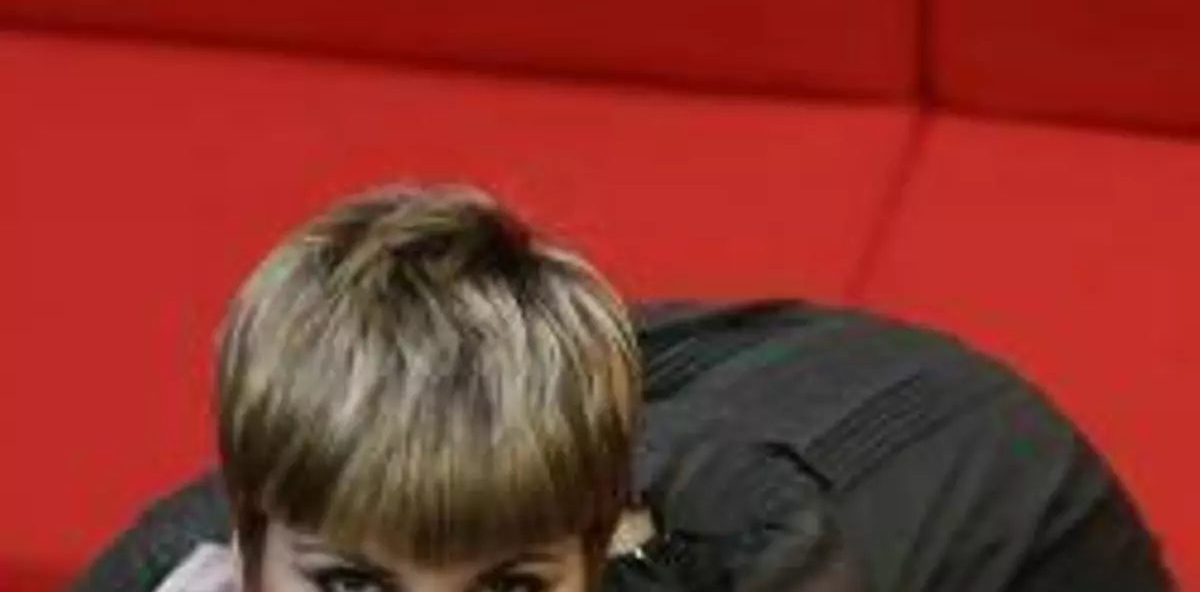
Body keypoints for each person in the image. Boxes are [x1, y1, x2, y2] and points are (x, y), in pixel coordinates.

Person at [73, 186, 1173, 592]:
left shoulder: (762, 562)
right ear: (247, 543)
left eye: (510, 591)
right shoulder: (166, 564)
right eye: (355, 587)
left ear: (607, 550)